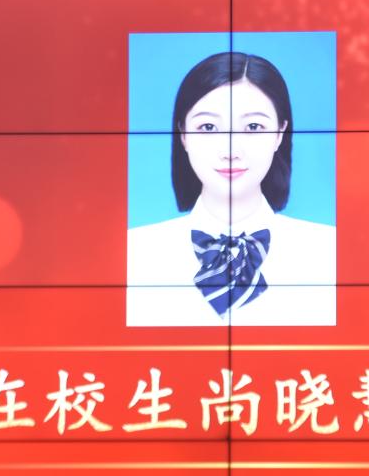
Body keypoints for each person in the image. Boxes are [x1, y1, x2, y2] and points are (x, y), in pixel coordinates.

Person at [127, 51, 335, 327]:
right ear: (183, 135)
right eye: (208, 127)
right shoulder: (133, 251)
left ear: (279, 134)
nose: (230, 150)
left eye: (253, 127)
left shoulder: (330, 250)